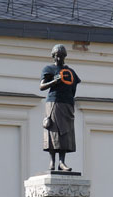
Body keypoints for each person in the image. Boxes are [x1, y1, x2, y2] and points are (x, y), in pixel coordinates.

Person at [40, 43, 80, 172]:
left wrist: (69, 99)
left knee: (65, 133)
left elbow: (73, 88)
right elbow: (42, 86)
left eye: (61, 56)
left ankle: (62, 162)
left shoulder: (70, 72)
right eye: (57, 56)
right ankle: (52, 161)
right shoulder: (49, 69)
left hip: (67, 103)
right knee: (53, 131)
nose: (59, 59)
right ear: (53, 56)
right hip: (54, 102)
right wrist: (54, 82)